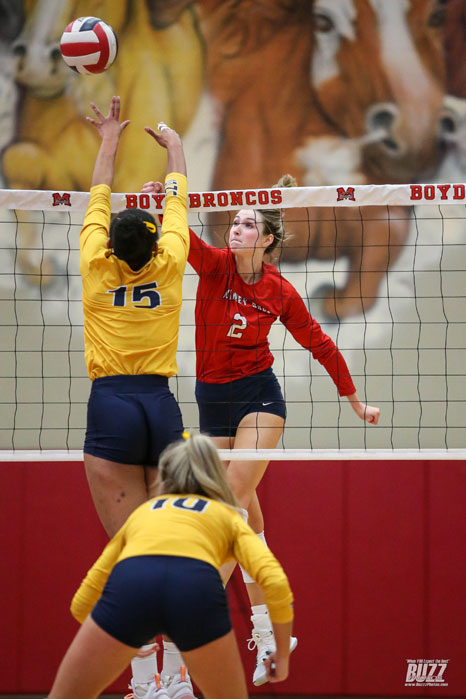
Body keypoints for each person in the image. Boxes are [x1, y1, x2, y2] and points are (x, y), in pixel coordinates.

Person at [141, 173, 381, 686]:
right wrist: (163, 203)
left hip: (259, 398)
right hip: (212, 401)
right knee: (246, 519)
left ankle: (184, 635)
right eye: (235, 222)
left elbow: (320, 344)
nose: (236, 228)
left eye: (248, 224)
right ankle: (268, 633)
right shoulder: (214, 264)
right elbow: (180, 234)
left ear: (267, 239)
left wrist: (354, 400)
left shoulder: (278, 290)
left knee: (228, 504)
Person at [81, 97, 192, 697]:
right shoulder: (171, 262)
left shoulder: (94, 267)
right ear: (152, 247)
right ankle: (176, 679)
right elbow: (177, 199)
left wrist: (108, 138)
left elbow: (98, 194)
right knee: (171, 548)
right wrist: (174, 145)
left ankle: (144, 681)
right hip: (160, 405)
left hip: (111, 406)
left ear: (110, 247)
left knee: (130, 554)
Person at [47, 435, 294, 699]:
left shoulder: (141, 516)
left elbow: (82, 603)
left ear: (163, 482)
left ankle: (153, 685)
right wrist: (280, 654)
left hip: (132, 593)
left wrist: (123, 639)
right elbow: (276, 583)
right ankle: (177, 683)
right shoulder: (227, 518)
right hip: (194, 595)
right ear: (217, 482)